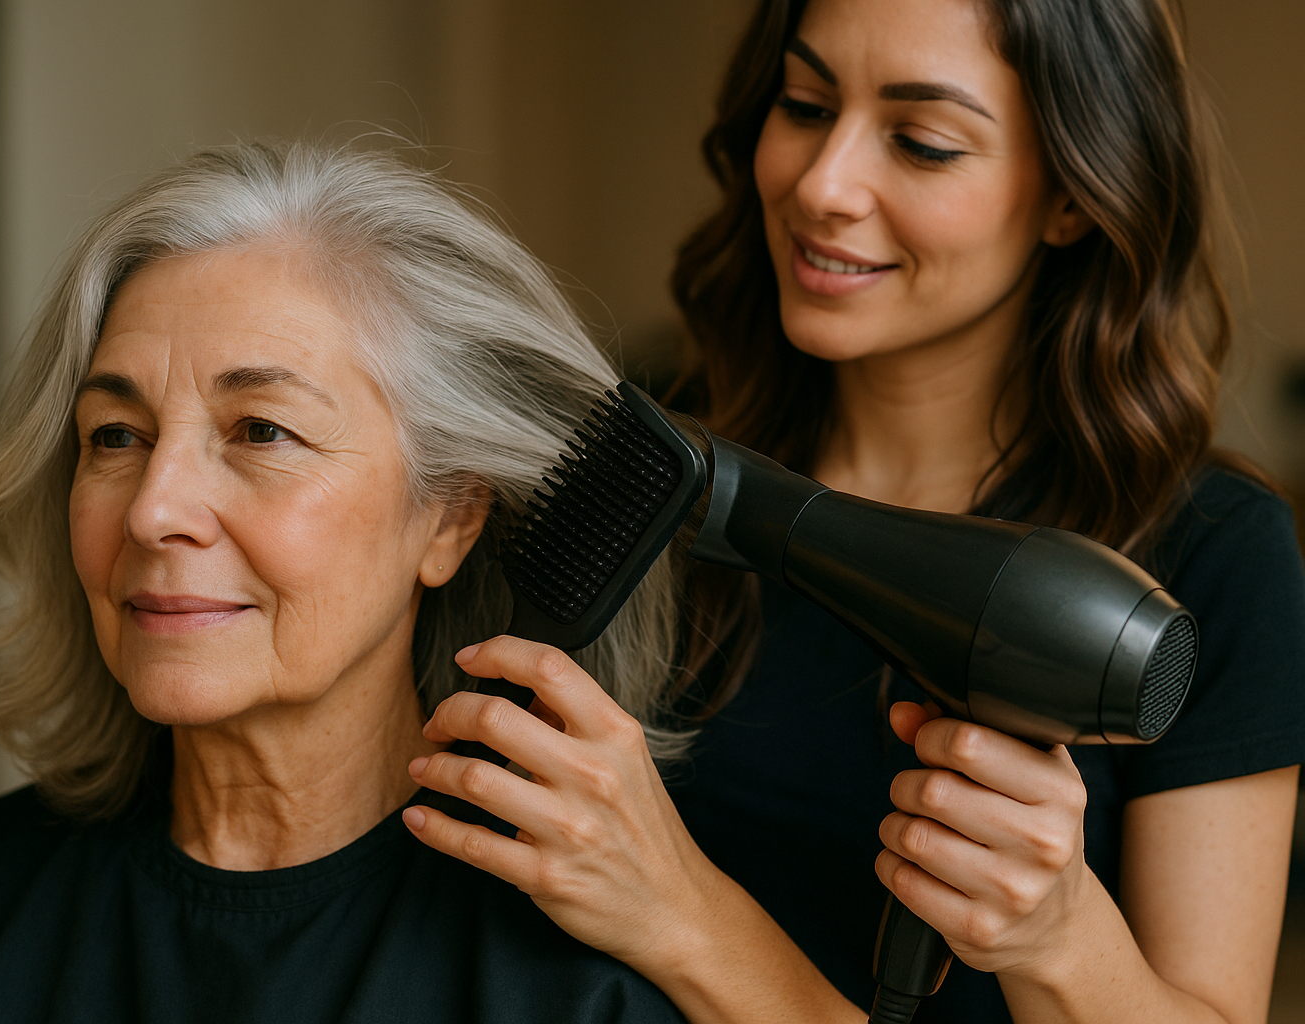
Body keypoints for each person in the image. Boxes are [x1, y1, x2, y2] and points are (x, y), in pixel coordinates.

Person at [402, 1, 1305, 1022]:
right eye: (804, 103)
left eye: (921, 142)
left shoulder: (1213, 551)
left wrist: (1058, 936)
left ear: (1070, 195)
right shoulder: (653, 464)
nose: (822, 184)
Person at [0, 142, 690, 1024]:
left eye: (260, 431)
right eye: (115, 435)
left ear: (450, 515)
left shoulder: (579, 988)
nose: (153, 510)